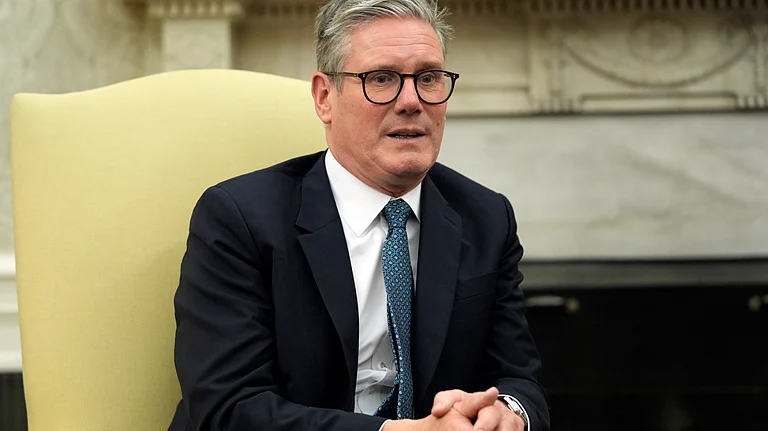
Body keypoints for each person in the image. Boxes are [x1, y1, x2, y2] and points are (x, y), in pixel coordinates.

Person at [168, 0, 550, 430]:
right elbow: (227, 408)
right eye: (381, 79)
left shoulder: (486, 217)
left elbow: (519, 380)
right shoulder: (239, 219)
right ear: (324, 97)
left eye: (428, 78)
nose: (412, 100)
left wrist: (507, 414)